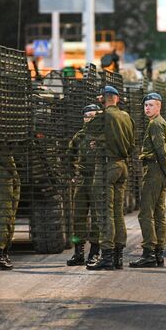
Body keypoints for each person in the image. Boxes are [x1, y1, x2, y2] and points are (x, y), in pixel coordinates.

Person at [87, 85, 135, 271]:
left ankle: (106, 255)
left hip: (107, 166)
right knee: (117, 212)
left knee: (104, 211)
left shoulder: (105, 116)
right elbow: (132, 143)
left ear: (104, 98)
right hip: (122, 165)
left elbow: (89, 128)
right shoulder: (126, 117)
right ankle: (118, 256)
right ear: (117, 98)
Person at [130, 93, 166, 268]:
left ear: (159, 107)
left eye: (151, 105)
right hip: (160, 170)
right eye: (145, 105)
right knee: (159, 213)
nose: (147, 108)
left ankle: (149, 252)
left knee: (145, 213)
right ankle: (158, 252)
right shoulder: (161, 123)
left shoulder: (156, 125)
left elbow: (161, 151)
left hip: (153, 170)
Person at [66, 104, 101, 266]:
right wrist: (73, 174)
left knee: (96, 218)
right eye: (87, 116)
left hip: (97, 179)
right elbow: (69, 156)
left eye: (92, 115)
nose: (89, 118)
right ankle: (78, 252)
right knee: (78, 217)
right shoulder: (79, 136)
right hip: (83, 180)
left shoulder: (102, 135)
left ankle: (94, 252)